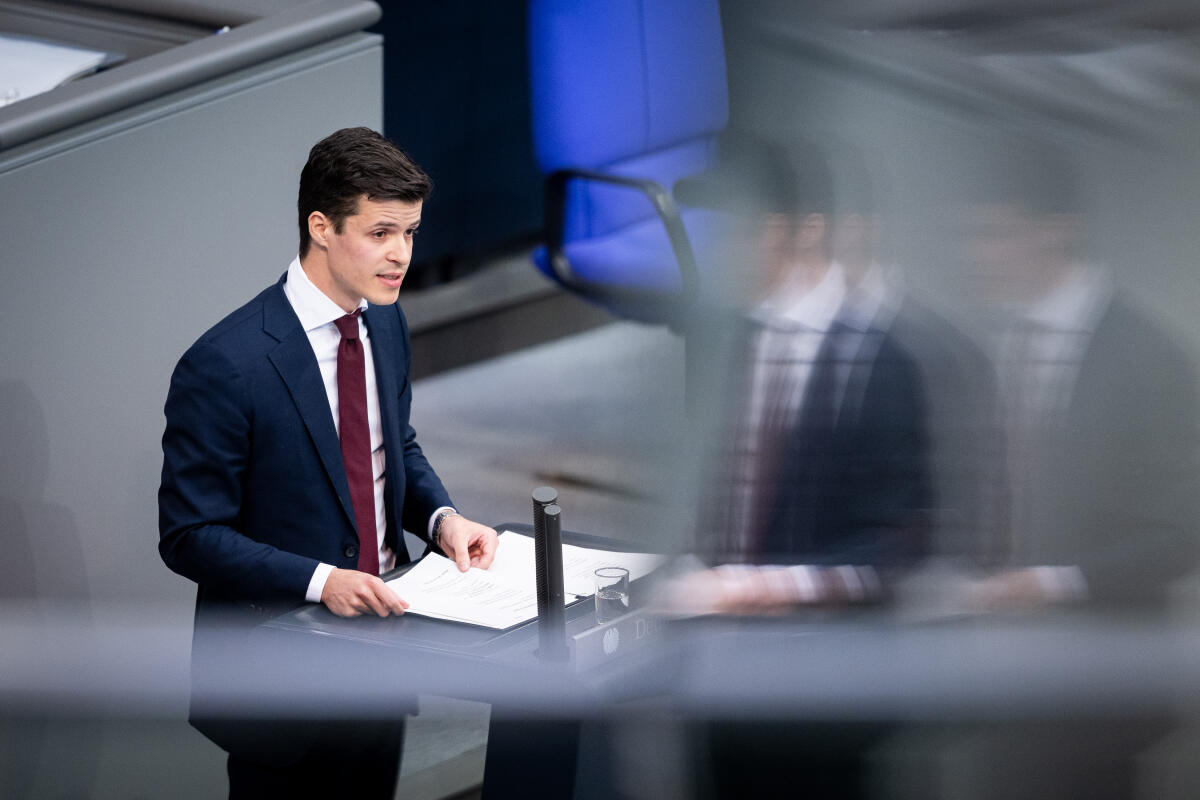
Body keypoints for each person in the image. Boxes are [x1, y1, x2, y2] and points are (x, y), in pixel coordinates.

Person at [158, 127, 498, 797]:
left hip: (385, 655)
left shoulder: (385, 321)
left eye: (410, 232)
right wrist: (322, 581)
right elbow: (190, 535)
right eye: (380, 233)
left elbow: (391, 446)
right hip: (281, 688)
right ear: (321, 226)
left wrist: (441, 518)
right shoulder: (225, 364)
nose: (400, 254)